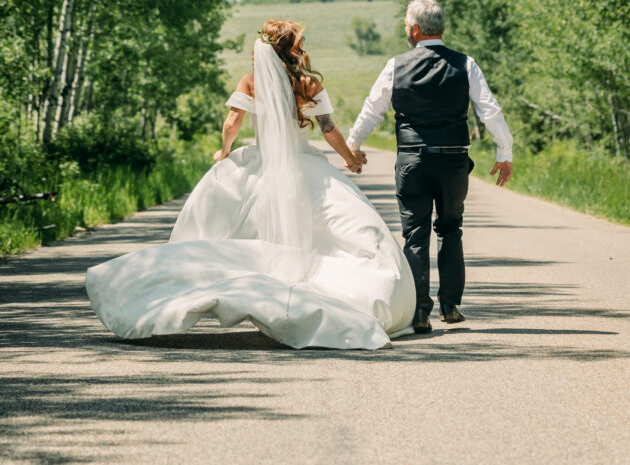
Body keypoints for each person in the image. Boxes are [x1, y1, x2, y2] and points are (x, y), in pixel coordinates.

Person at [86, 20, 416, 350]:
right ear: (294, 49)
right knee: (340, 232)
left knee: (225, 222)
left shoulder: (251, 82)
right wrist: (351, 158)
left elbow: (232, 122)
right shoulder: (308, 84)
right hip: (305, 166)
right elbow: (329, 129)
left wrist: (224, 151)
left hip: (260, 166)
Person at [347, 0, 513, 333]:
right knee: (451, 229)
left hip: (413, 160)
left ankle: (419, 312)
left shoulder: (396, 65)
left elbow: (372, 109)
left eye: (406, 25)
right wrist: (503, 152)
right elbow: (489, 110)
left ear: (416, 29)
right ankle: (450, 306)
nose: (405, 30)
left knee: (415, 235)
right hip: (453, 160)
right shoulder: (465, 64)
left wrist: (353, 146)